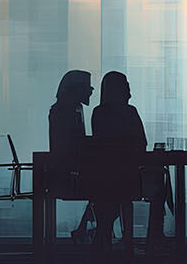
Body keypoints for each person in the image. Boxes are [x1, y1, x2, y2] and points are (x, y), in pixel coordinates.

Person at [90, 71, 168, 247]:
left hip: (106, 177)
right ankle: (155, 234)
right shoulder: (129, 112)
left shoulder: (98, 113)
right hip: (129, 177)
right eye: (127, 88)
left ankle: (103, 234)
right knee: (160, 180)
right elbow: (142, 143)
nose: (130, 94)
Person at [49, 70, 95, 243]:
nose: (91, 91)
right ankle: (87, 229)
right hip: (68, 175)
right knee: (112, 185)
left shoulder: (69, 109)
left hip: (70, 171)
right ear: (76, 89)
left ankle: (85, 228)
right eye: (88, 87)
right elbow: (70, 146)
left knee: (110, 184)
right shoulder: (64, 112)